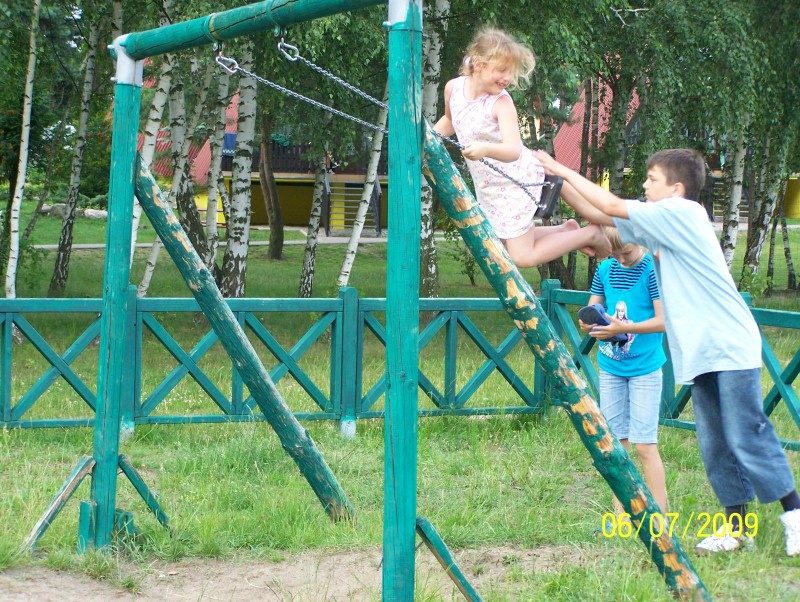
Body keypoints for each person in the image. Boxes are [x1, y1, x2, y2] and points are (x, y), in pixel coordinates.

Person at [533, 147, 800, 556]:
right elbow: (598, 214)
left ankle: (794, 515)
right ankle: (737, 529)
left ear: (675, 188)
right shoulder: (660, 224)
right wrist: (553, 178)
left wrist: (558, 166)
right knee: (715, 443)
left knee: (746, 432)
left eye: (651, 179)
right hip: (699, 349)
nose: (644, 185)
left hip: (728, 342)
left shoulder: (684, 213)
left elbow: (610, 204)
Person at [432, 27, 611, 267]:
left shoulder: (501, 102)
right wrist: (429, 140)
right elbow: (450, 119)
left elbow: (512, 150)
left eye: (511, 72)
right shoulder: (453, 89)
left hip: (514, 180)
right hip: (489, 185)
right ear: (479, 64)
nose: (507, 78)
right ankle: (566, 230)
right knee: (502, 244)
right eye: (502, 70)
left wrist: (484, 149)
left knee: (521, 256)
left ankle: (590, 234)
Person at [580, 227, 668, 520]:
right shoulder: (605, 269)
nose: (620, 258)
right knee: (616, 445)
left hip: (645, 367)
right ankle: (621, 516)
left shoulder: (652, 270)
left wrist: (624, 328)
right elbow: (594, 306)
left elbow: (663, 320)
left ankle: (660, 518)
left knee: (645, 445)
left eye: (626, 252)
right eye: (614, 253)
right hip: (611, 367)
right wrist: (589, 322)